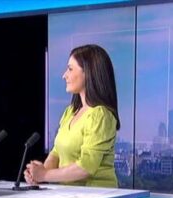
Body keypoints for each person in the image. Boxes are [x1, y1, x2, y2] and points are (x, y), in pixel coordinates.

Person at [25, 44, 119, 188]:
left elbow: (85, 167)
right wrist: (38, 174)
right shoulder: (70, 112)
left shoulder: (100, 115)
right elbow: (56, 152)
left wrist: (44, 175)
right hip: (69, 194)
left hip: (95, 196)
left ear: (88, 72)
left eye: (70, 69)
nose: (64, 75)